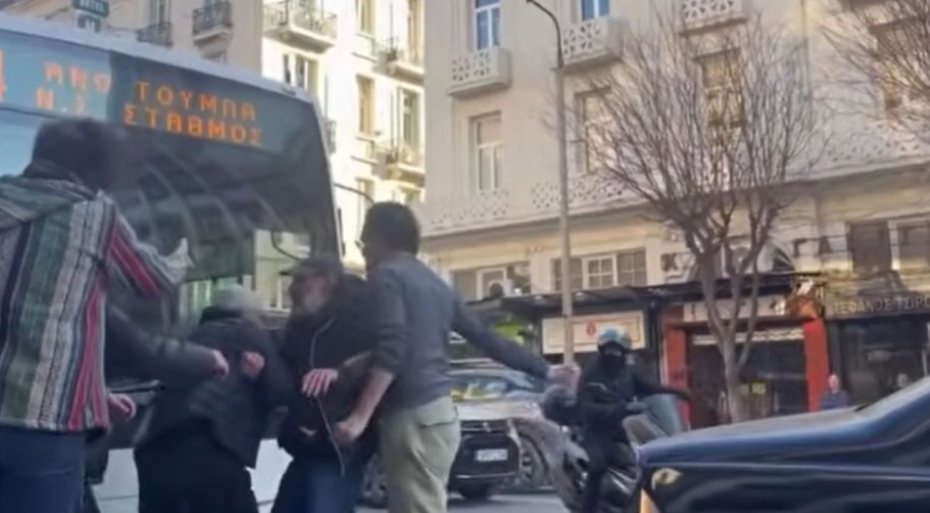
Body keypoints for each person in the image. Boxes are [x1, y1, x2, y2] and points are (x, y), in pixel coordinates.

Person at [0, 119, 195, 513]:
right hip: (44, 429)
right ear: (96, 172)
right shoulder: (95, 220)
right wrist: (184, 254)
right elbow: (153, 279)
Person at [335, 202, 566, 513]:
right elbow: (486, 338)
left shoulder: (386, 276)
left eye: (364, 243)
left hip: (411, 415)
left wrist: (359, 417)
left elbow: (393, 347)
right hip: (441, 415)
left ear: (380, 239)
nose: (364, 253)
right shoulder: (436, 284)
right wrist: (546, 370)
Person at [134, 286, 294, 513]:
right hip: (212, 449)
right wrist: (261, 376)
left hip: (156, 449)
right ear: (249, 314)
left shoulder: (191, 334)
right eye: (261, 317)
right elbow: (281, 391)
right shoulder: (247, 332)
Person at [80, 302, 231, 513]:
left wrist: (100, 396)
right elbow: (140, 348)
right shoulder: (84, 296)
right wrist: (207, 359)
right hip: (60, 447)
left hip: (63, 445)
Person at [273, 258, 378, 513]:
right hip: (307, 440)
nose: (293, 288)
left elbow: (385, 355)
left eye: (301, 280)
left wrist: (341, 373)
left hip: (337, 440)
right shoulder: (301, 324)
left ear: (326, 281)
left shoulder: (357, 313)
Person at [576, 328, 689, 513]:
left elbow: (650, 387)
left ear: (625, 352)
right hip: (598, 430)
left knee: (649, 460)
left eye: (617, 350)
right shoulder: (591, 373)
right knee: (598, 466)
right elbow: (585, 408)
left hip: (627, 426)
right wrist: (620, 408)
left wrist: (676, 391)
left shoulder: (628, 372)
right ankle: (587, 508)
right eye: (609, 350)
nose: (613, 355)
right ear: (601, 350)